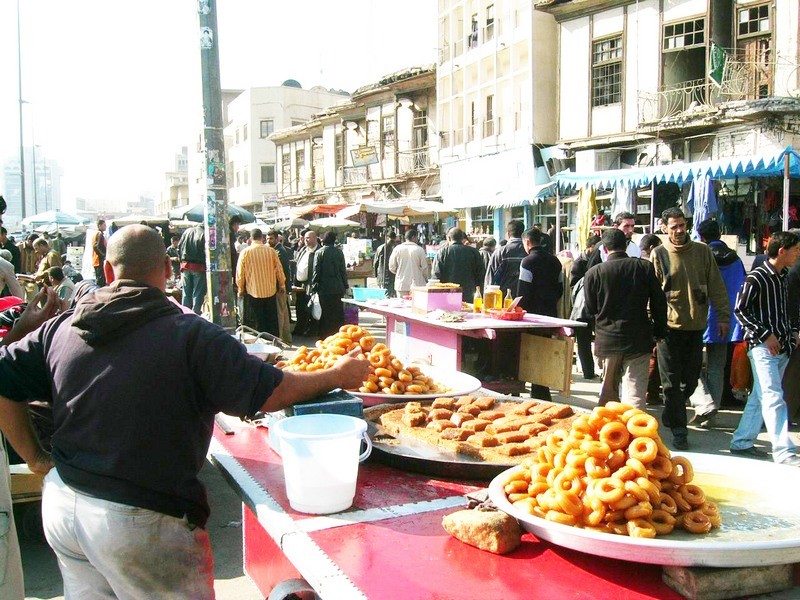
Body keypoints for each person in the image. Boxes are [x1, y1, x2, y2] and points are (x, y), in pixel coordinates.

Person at [0, 225, 370, 598]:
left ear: (108, 272)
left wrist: (35, 457)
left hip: (64, 505)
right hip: (140, 519)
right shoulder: (191, 336)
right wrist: (338, 374)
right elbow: (272, 392)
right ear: (168, 268)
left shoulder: (61, 328)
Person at [650, 208, 730, 450]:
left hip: (695, 328)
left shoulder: (703, 252)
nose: (679, 230)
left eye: (682, 225)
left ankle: (671, 413)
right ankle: (679, 430)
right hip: (668, 330)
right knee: (672, 383)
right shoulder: (659, 254)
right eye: (673, 226)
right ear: (664, 228)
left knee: (692, 380)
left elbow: (716, 286)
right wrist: (652, 325)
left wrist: (724, 317)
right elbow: (652, 293)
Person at [729, 231, 800, 465]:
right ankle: (783, 450)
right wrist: (766, 335)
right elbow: (740, 310)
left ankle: (741, 441)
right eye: (795, 250)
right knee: (772, 396)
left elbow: (787, 309)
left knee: (762, 397)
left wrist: (792, 334)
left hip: (781, 346)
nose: (797, 254)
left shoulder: (783, 275)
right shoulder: (757, 277)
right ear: (782, 251)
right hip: (762, 347)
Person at [584, 229, 668, 409]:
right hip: (638, 339)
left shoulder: (594, 273)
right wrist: (660, 331)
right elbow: (659, 302)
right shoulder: (644, 267)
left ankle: (610, 433)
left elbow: (590, 308)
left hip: (608, 340)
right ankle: (636, 433)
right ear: (627, 246)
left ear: (604, 249)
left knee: (608, 395)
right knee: (635, 394)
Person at [689, 219, 746, 426]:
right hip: (725, 320)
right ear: (720, 235)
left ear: (701, 237)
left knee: (689, 363)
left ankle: (704, 401)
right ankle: (711, 416)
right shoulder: (736, 260)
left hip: (699, 317)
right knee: (717, 366)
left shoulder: (700, 257)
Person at [518, 227, 564, 400]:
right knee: (545, 351)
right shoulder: (555, 261)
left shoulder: (527, 262)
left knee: (532, 353)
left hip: (531, 316)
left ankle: (537, 392)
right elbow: (560, 288)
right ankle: (541, 391)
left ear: (527, 242)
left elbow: (524, 290)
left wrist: (521, 309)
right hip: (550, 313)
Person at [236, 228, 285, 337]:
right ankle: (274, 341)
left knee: (258, 321)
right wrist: (282, 284)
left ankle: (261, 342)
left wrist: (240, 289)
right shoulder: (271, 251)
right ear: (262, 238)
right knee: (272, 320)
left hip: (253, 291)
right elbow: (279, 270)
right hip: (270, 290)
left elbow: (240, 273)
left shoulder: (245, 252)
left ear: (250, 238)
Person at [569, 235, 601, 379]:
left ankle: (594, 370)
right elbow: (573, 288)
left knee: (592, 341)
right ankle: (588, 371)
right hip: (582, 309)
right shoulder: (578, 263)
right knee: (583, 342)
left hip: (593, 307)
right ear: (590, 247)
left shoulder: (597, 262)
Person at [311, 230, 349, 338]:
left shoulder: (319, 252)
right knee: (337, 313)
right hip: (338, 288)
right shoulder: (339, 252)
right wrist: (345, 285)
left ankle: (325, 336)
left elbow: (316, 271)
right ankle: (338, 335)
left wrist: (314, 286)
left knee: (325, 313)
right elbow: (343, 271)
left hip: (324, 288)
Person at [432, 227, 485, 303]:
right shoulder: (474, 252)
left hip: (447, 296)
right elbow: (481, 275)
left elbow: (436, 277)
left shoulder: (442, 253)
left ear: (449, 238)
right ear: (462, 238)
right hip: (470, 295)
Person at [485, 220, 526, 294]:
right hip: (525, 297)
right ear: (523, 234)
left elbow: (490, 279)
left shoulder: (500, 252)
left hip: (503, 298)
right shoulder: (528, 251)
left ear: (508, 234)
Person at [267, 229, 293, 342]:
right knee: (283, 313)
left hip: (280, 288)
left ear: (277, 238)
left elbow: (281, 271)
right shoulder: (275, 250)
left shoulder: (279, 251)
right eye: (267, 238)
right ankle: (286, 339)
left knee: (281, 314)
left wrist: (282, 286)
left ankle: (282, 339)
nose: (269, 241)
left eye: (271, 238)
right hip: (280, 287)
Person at [293, 229, 319, 337]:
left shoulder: (318, 251)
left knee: (311, 308)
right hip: (300, 284)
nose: (306, 240)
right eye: (305, 238)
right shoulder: (303, 250)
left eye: (308, 238)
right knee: (300, 307)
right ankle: (299, 328)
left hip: (311, 285)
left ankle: (311, 329)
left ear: (315, 238)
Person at [389, 229, 429, 297]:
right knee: (417, 306)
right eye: (417, 237)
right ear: (413, 237)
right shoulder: (419, 249)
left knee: (402, 305)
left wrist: (400, 272)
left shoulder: (397, 249)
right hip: (418, 285)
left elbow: (392, 267)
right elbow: (425, 268)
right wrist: (425, 278)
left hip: (401, 285)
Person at [178, 224, 207, 314]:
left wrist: (181, 260)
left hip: (185, 265)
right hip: (199, 266)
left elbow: (179, 248)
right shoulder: (204, 234)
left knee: (186, 293)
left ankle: (185, 314)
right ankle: (195, 314)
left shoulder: (187, 232)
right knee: (198, 294)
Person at [373, 231, 398, 297]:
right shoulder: (397, 248)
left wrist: (376, 275)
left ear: (386, 238)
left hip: (382, 274)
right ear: (395, 238)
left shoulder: (380, 248)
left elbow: (375, 263)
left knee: (385, 295)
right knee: (394, 294)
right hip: (394, 274)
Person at [92, 219, 108, 285]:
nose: (105, 226)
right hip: (99, 260)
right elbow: (96, 247)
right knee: (100, 280)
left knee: (99, 278)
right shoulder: (99, 234)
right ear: (99, 226)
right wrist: (103, 255)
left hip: (97, 259)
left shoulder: (96, 234)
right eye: (104, 225)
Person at [229, 215, 243, 279]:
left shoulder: (228, 232)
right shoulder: (230, 234)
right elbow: (232, 250)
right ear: (234, 224)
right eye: (238, 225)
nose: (238, 227)